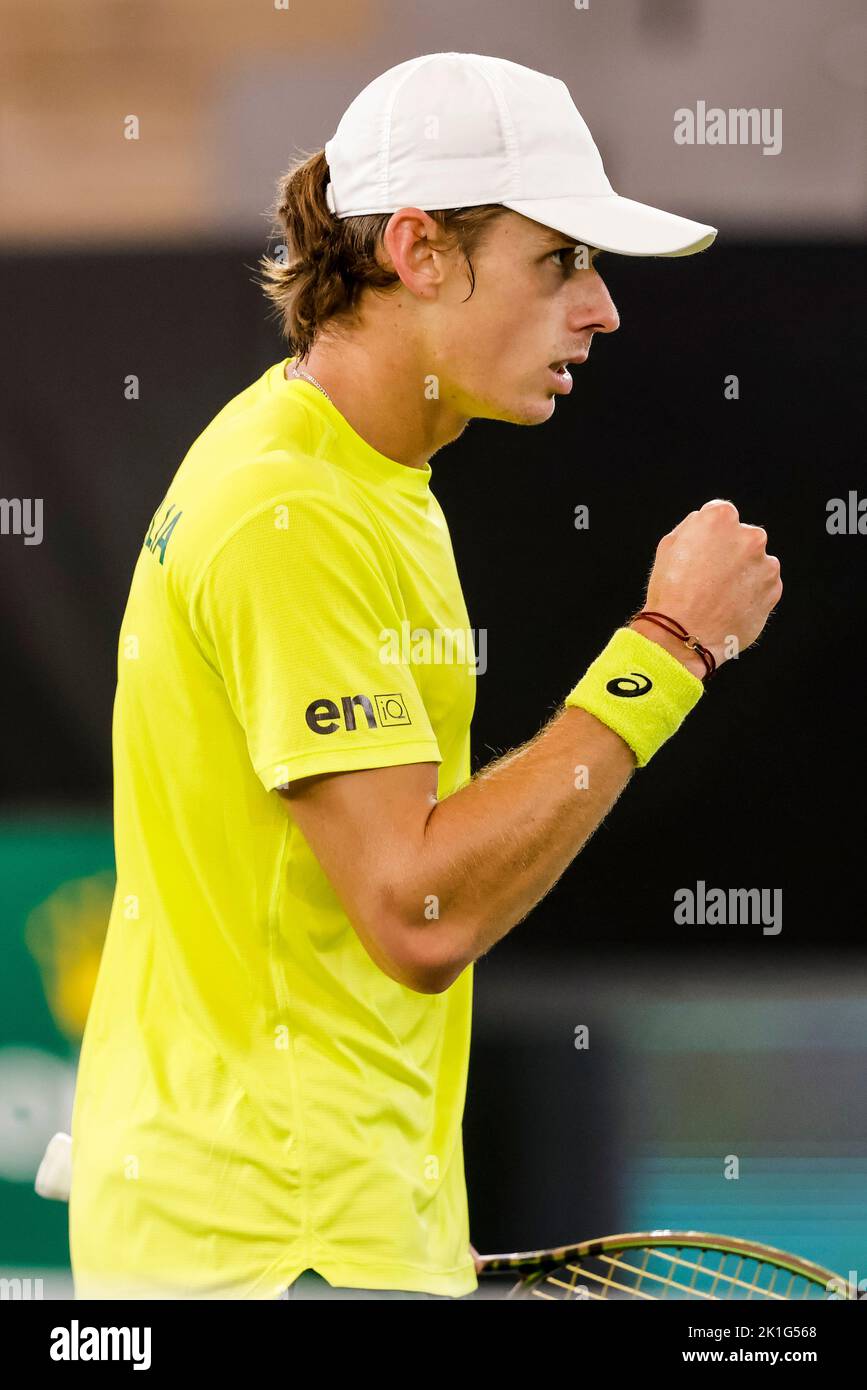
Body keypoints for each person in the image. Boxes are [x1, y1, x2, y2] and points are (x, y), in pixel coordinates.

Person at [68, 52, 781, 1300]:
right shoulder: (287, 510)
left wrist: (396, 1213)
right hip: (271, 1253)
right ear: (418, 250)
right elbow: (416, 911)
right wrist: (666, 651)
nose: (603, 307)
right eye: (561, 259)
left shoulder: (360, 478)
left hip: (313, 1232)